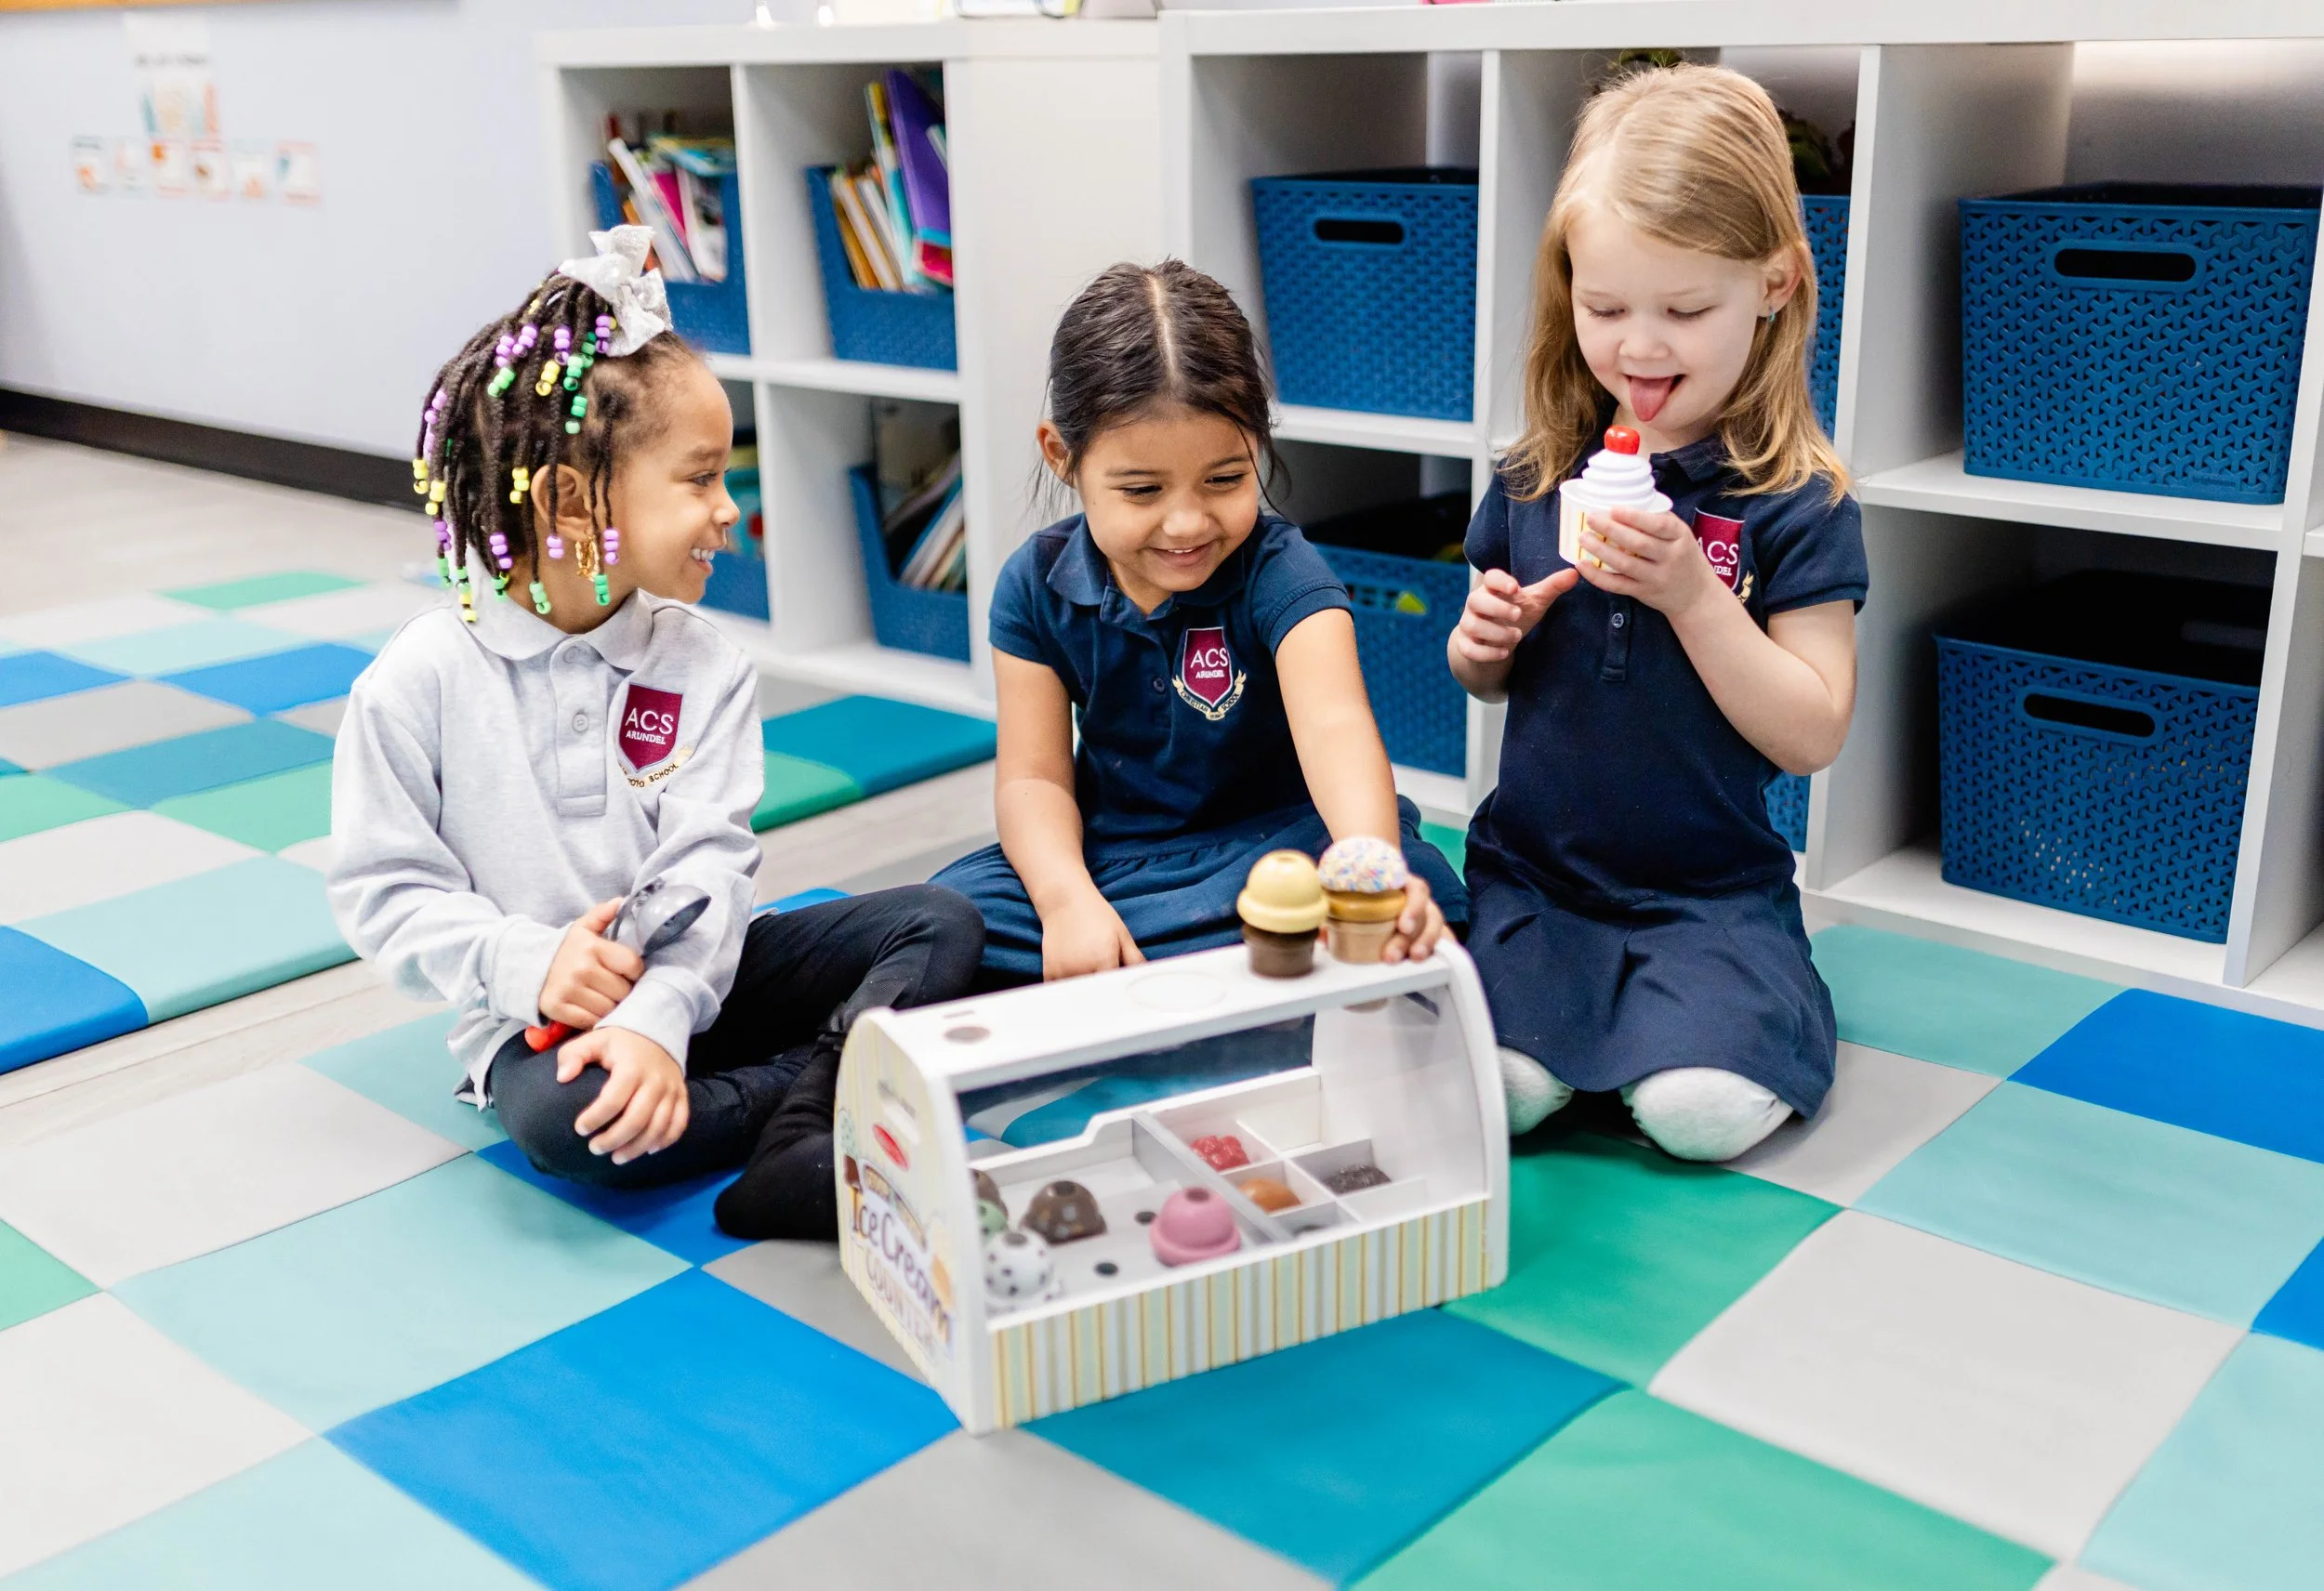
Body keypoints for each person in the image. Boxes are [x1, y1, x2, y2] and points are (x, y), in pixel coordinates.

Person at [326, 228, 982, 1240]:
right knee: (576, 1128)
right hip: (543, 1024)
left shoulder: (704, 663)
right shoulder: (418, 681)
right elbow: (384, 891)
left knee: (941, 921)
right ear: (568, 500)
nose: (730, 512)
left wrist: (663, 1012)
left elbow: (710, 865)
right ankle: (840, 1090)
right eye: (700, 479)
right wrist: (526, 961)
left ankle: (792, 1106)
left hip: (697, 977)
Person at [1450, 65, 1867, 1161]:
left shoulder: (1797, 500)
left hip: (1708, 892)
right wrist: (1480, 645)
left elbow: (1812, 729)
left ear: (1774, 284)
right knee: (1497, 1091)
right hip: (1538, 881)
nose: (1639, 347)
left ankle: (1750, 1003)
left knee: (1697, 1115)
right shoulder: (1537, 472)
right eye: (1603, 308)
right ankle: (1594, 1020)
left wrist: (1691, 595)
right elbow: (1487, 676)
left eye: (1684, 311)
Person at [934, 260, 1464, 983]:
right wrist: (1066, 902)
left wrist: (1372, 873)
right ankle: (1195, 954)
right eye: (1142, 490)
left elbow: (1336, 731)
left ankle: (1182, 958)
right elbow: (1034, 780)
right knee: (944, 921)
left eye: (1224, 480)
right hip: (1113, 862)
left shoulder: (1285, 573)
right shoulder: (1033, 586)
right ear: (1062, 455)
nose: (1187, 523)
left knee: (1429, 901)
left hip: (1279, 847)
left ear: (1258, 445)